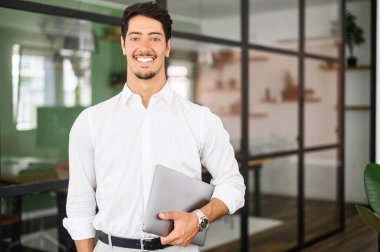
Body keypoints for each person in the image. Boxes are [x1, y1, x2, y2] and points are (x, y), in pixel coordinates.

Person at [63, 2, 245, 251]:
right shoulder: (91, 121)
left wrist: (198, 219)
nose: (144, 47)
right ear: (124, 45)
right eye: (135, 37)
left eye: (155, 38)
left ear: (167, 47)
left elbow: (233, 184)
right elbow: (80, 203)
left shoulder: (201, 119)